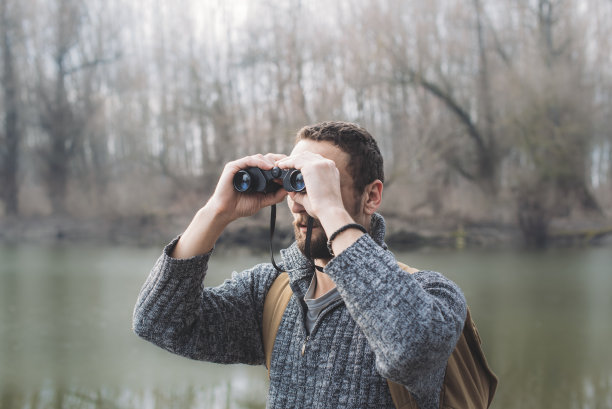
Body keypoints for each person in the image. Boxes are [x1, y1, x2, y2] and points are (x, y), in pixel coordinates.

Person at [132, 121, 467, 409]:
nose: (302, 204)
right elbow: (160, 324)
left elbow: (410, 350)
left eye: (322, 183)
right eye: (298, 182)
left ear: (372, 196)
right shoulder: (271, 292)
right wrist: (215, 213)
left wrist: (330, 210)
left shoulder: (432, 295)